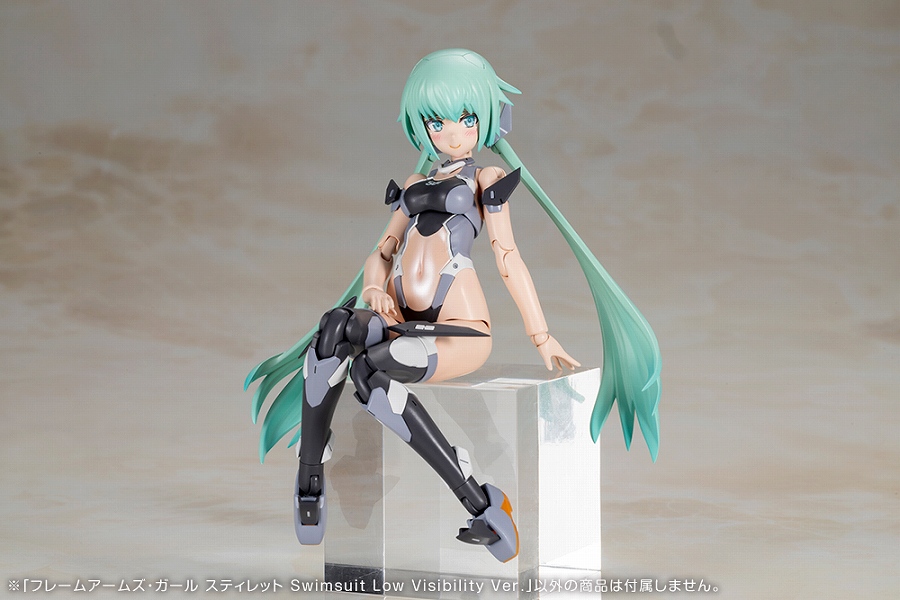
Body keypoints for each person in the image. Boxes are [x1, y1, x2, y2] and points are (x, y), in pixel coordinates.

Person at [246, 49, 661, 564]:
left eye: (466, 118)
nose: (453, 132)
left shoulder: (484, 180)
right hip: (400, 319)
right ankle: (311, 473)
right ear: (422, 126)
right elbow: (382, 252)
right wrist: (374, 290)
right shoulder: (413, 185)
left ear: (487, 120)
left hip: (458, 329)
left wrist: (541, 334)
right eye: (438, 121)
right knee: (332, 329)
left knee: (372, 374)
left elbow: (508, 257)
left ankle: (481, 502)